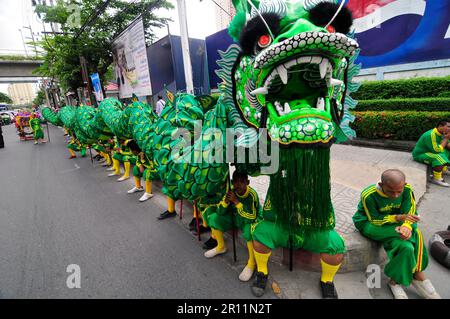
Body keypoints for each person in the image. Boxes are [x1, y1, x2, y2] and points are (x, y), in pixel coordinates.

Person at [352, 169, 441, 299]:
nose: (395, 195)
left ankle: (394, 281)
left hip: (397, 225)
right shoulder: (369, 194)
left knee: (407, 247)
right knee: (415, 232)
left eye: (398, 191)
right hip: (371, 224)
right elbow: (374, 219)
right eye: (390, 191)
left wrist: (405, 226)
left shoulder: (407, 190)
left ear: (404, 185)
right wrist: (398, 219)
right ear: (382, 185)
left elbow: (410, 212)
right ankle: (418, 275)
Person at [203, 170, 262, 282]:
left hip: (247, 220)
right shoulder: (230, 192)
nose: (238, 185)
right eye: (235, 181)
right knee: (214, 218)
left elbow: (252, 217)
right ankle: (221, 247)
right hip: (235, 218)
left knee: (249, 230)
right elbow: (220, 212)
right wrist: (225, 202)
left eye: (241, 181)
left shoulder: (252, 195)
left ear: (248, 182)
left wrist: (236, 202)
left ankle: (251, 263)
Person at [412, 120, 450, 187]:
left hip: (432, 151)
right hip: (421, 154)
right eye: (448, 127)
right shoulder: (430, 135)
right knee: (438, 157)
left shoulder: (442, 133)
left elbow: (447, 145)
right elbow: (437, 151)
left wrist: (447, 139)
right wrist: (446, 139)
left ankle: (443, 169)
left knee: (447, 151)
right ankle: (436, 178)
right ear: (440, 126)